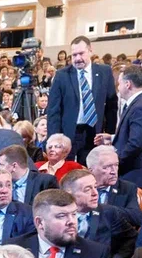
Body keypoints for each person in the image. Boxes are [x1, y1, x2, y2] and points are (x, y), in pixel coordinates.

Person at [47, 36, 117, 164]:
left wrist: (110, 135)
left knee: (91, 169)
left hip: (95, 134)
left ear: (90, 51)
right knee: (66, 170)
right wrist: (53, 139)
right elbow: (53, 110)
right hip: (68, 134)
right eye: (74, 55)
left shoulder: (104, 72)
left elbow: (111, 106)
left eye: (81, 53)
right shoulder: (62, 75)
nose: (78, 58)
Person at [94, 65, 142, 188]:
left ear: (127, 84)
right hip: (133, 172)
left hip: (135, 175)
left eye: (119, 84)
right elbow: (136, 136)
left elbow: (135, 144)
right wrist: (112, 138)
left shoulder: (141, 107)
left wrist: (113, 162)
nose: (118, 88)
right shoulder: (140, 103)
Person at [61, 169, 136, 258]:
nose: (95, 193)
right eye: (87, 189)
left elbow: (131, 238)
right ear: (69, 194)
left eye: (95, 187)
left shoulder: (108, 213)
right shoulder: (57, 217)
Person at [87, 146, 142, 226]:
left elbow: (136, 217)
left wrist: (105, 209)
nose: (114, 171)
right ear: (91, 170)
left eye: (116, 165)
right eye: (106, 167)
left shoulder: (126, 188)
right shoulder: (81, 188)